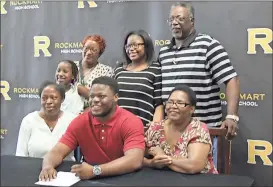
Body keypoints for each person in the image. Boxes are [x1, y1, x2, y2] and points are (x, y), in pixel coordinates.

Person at [158, 2, 240, 139]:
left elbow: (231, 79)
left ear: (192, 21)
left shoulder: (208, 45)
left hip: (204, 132)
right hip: (172, 133)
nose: (174, 22)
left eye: (180, 18)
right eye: (171, 19)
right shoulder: (163, 52)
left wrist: (232, 116)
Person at [39, 76, 145, 181]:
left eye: (101, 96)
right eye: (92, 96)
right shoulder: (80, 121)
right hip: (90, 178)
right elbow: (57, 151)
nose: (95, 100)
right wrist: (47, 166)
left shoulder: (130, 121)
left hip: (124, 178)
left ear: (115, 97)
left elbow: (134, 160)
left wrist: (95, 170)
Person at [144, 85, 218, 174]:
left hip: (199, 180)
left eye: (180, 103)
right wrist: (151, 163)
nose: (173, 106)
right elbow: (137, 157)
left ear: (192, 109)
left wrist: (162, 157)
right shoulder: (156, 128)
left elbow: (193, 166)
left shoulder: (197, 129)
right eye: (170, 102)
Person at [113, 30, 164, 126]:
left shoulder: (155, 69)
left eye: (136, 45)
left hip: (142, 129)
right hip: (116, 127)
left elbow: (159, 104)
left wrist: (154, 129)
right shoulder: (119, 69)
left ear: (146, 46)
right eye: (128, 46)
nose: (131, 49)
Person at [15, 81, 76, 161]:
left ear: (62, 99)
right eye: (44, 98)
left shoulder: (72, 120)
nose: (48, 102)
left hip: (64, 171)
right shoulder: (29, 121)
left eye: (53, 98)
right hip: (34, 170)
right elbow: (21, 155)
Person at [76, 35, 114, 110]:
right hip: (70, 114)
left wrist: (81, 89)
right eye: (86, 48)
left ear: (99, 54)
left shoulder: (106, 71)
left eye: (94, 50)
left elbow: (104, 97)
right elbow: (62, 90)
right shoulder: (70, 67)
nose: (89, 52)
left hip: (95, 114)